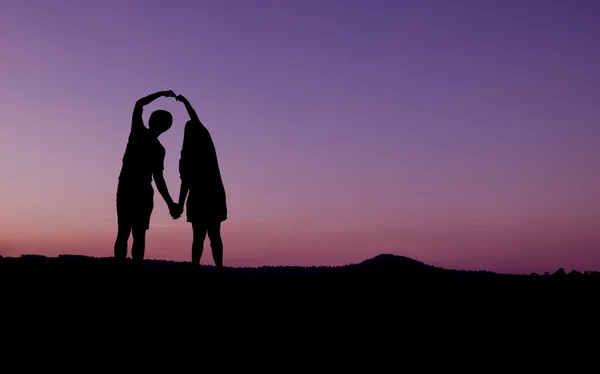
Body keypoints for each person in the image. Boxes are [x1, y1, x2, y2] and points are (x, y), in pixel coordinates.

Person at [114, 90, 180, 261]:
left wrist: (162, 94)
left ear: (152, 121)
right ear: (166, 128)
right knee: (138, 235)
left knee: (125, 232)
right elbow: (158, 180)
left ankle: (121, 269)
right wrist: (170, 203)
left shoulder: (139, 133)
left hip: (129, 188)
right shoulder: (157, 147)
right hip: (140, 191)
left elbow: (139, 103)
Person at [173, 94, 227, 272]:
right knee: (214, 236)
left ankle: (197, 268)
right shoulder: (206, 145)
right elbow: (195, 118)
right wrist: (185, 102)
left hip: (200, 198)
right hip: (214, 196)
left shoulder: (187, 157)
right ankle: (218, 268)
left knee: (198, 237)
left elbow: (185, 184)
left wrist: (179, 206)